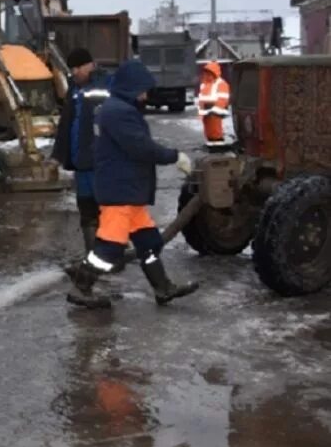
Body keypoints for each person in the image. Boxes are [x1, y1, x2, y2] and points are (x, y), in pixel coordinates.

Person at [67, 59, 197, 309]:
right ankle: (81, 287)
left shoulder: (119, 109)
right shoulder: (118, 112)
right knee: (109, 247)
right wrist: (174, 156)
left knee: (149, 243)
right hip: (119, 192)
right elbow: (140, 147)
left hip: (129, 193)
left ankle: (163, 288)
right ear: (130, 87)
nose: (146, 95)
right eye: (143, 89)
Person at [51, 47, 109, 272]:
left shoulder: (104, 86)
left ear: (90, 65)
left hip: (100, 163)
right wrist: (57, 156)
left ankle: (106, 258)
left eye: (78, 68)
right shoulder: (74, 89)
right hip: (81, 162)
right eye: (72, 68)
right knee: (86, 211)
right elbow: (66, 124)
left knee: (105, 211)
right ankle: (93, 259)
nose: (74, 72)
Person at [197, 61, 231, 147]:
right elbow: (201, 99)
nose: (207, 75)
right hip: (207, 112)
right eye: (206, 73)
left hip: (216, 112)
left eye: (209, 73)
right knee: (208, 131)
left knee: (215, 131)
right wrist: (201, 113)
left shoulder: (221, 84)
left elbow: (223, 99)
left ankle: (218, 147)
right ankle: (212, 146)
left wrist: (214, 111)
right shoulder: (204, 84)